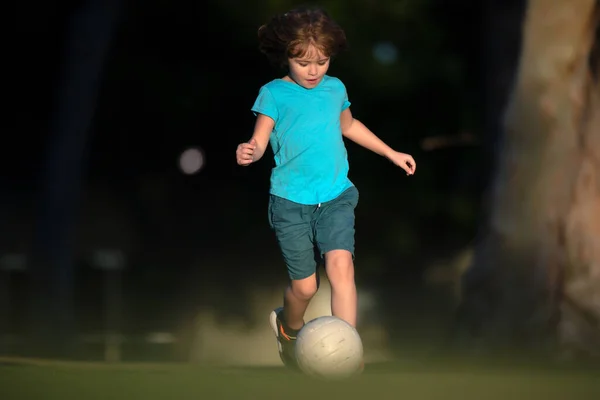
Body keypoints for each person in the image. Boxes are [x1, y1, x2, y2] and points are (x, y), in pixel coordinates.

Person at [235, 6, 416, 369]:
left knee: (341, 267)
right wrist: (249, 153)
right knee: (305, 288)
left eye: (322, 61)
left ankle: (349, 353)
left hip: (335, 195)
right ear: (286, 56)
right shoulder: (273, 94)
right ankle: (289, 328)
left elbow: (349, 126)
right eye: (304, 63)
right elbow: (259, 141)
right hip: (290, 202)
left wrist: (391, 153)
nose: (314, 70)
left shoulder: (335, 89)